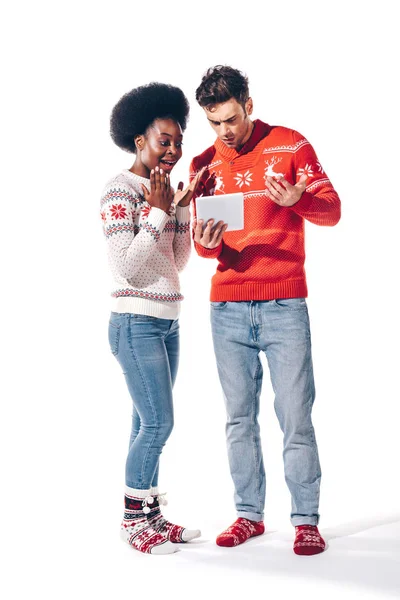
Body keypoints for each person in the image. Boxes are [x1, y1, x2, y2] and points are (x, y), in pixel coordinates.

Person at [190, 65, 341, 555]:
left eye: (230, 119)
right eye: (214, 123)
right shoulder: (204, 165)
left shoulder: (292, 145)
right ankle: (248, 515)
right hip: (227, 308)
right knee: (238, 418)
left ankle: (306, 520)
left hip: (284, 302)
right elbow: (205, 247)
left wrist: (300, 200)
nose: (224, 132)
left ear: (248, 104)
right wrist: (207, 244)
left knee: (296, 415)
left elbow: (332, 210)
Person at [100, 82, 204, 555]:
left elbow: (174, 263)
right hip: (134, 322)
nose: (174, 150)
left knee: (145, 423)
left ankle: (153, 517)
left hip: (167, 319)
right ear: (140, 141)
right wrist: (159, 212)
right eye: (165, 140)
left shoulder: (162, 189)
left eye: (179, 141)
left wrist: (181, 211)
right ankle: (132, 521)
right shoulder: (119, 190)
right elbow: (128, 265)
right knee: (159, 424)